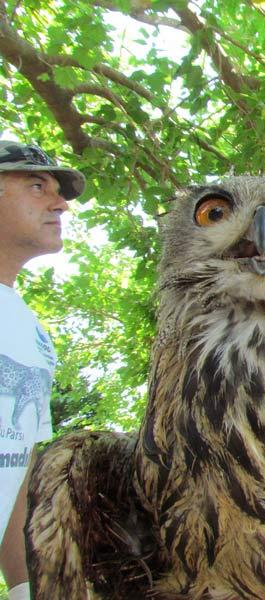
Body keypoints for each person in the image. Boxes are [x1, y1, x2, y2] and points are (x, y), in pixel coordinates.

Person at [0, 141, 85, 600]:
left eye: (59, 192)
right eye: (37, 186)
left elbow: (17, 463)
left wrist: (23, 586)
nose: (61, 205)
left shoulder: (34, 334)